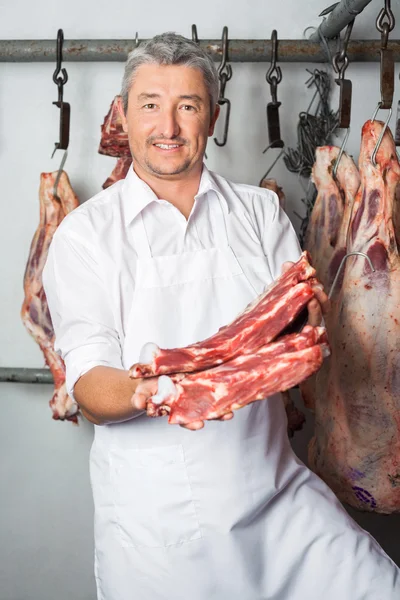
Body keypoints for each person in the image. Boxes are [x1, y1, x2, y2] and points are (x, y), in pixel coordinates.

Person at [42, 32, 400, 600]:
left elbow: (298, 317)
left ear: (212, 116)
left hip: (278, 501)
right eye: (150, 105)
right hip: (161, 531)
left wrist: (305, 321)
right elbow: (88, 384)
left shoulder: (258, 212)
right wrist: (157, 390)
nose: (169, 126)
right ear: (124, 115)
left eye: (188, 106)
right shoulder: (86, 236)